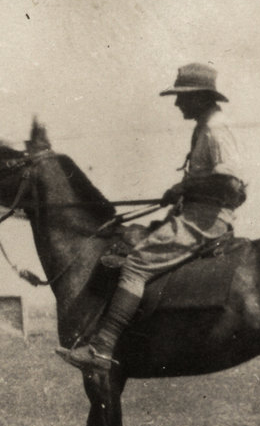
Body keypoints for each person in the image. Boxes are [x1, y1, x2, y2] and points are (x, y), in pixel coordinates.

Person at [57, 62, 248, 372]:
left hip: (204, 219)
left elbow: (230, 181)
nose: (176, 103)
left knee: (135, 263)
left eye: (182, 96)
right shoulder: (206, 126)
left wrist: (183, 186)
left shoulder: (215, 128)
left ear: (200, 96)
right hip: (196, 212)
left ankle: (103, 347)